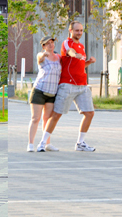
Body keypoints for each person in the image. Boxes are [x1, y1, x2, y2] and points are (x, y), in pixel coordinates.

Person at [37, 21, 97, 152]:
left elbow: (79, 65)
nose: (79, 33)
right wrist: (76, 55)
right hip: (67, 84)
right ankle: (42, 143)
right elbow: (70, 53)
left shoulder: (81, 46)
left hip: (82, 85)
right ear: (70, 30)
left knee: (89, 113)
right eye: (77, 30)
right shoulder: (67, 43)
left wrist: (89, 62)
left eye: (81, 30)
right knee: (57, 114)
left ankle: (80, 143)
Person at [27, 36, 61, 152]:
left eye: (52, 43)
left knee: (48, 119)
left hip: (52, 93)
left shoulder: (58, 57)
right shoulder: (41, 56)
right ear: (43, 46)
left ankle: (47, 143)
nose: (51, 45)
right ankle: (30, 144)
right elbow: (40, 57)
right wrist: (44, 54)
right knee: (35, 118)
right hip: (40, 90)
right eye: (48, 43)